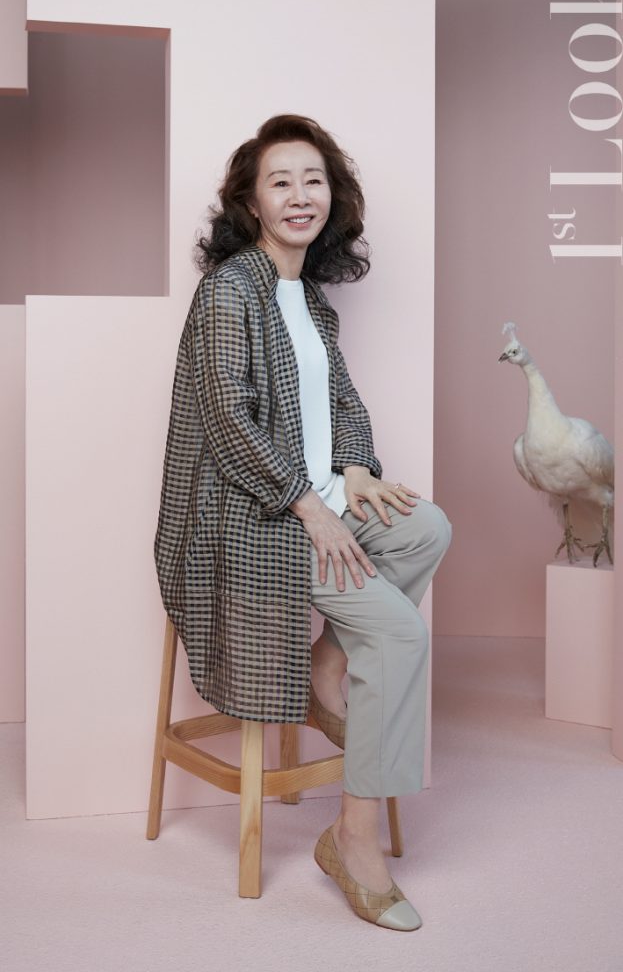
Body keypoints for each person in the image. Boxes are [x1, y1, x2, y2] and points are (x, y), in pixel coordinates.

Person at [154, 114, 452, 931]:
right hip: (250, 516)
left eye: (312, 180)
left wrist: (354, 466)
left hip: (316, 494)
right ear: (250, 203)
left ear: (332, 197)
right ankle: (352, 840)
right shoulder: (230, 291)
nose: (298, 195)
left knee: (427, 528)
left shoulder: (311, 303)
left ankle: (328, 662)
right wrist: (311, 507)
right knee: (397, 634)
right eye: (279, 181)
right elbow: (228, 421)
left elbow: (342, 399)